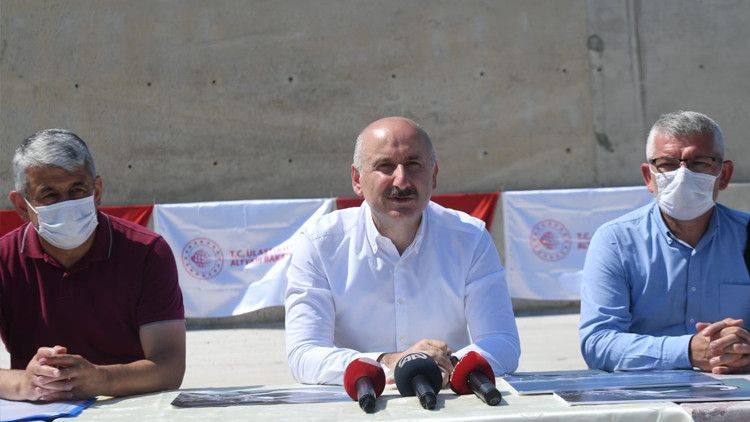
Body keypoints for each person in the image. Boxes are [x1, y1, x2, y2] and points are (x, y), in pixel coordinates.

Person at [285, 116, 520, 386]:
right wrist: (389, 362)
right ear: (357, 179)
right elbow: (304, 355)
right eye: (385, 166)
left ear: (433, 176)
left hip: (446, 398)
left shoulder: (470, 238)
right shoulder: (319, 243)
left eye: (413, 165)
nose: (401, 180)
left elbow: (502, 342)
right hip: (359, 400)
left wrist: (445, 365)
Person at [0, 129, 186, 401]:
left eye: (77, 190)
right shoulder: (4, 259)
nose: (66, 204)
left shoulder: (147, 252)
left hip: (129, 408)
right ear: (21, 205)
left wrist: (100, 379)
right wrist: (24, 384)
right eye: (49, 194)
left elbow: (169, 366)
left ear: (96, 192)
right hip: (39, 411)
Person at [579, 110, 750, 374]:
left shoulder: (745, 235)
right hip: (647, 395)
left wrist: (741, 349)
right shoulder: (616, 241)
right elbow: (597, 344)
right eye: (668, 164)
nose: (683, 175)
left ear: (724, 175)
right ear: (649, 177)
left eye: (700, 162)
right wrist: (688, 351)